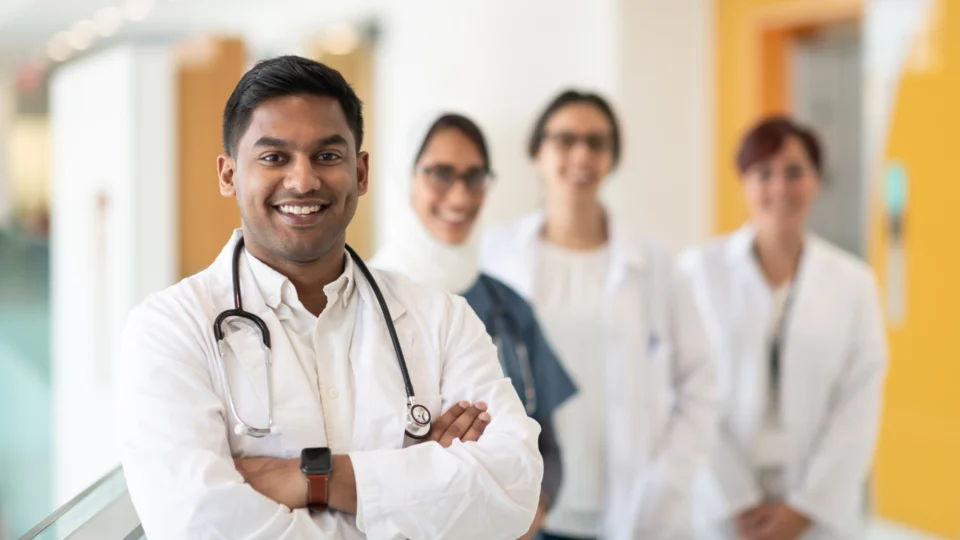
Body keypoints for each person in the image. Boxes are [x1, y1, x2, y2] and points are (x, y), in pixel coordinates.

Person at [117, 56, 544, 540]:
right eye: (274, 157)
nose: (303, 181)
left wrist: (313, 480)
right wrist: (414, 483)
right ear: (229, 174)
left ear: (361, 172)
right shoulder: (170, 328)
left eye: (327, 156)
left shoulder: (441, 317)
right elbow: (194, 521)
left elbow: (513, 492)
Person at [480, 90, 719, 539]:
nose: (581, 155)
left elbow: (700, 382)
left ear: (612, 157)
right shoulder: (494, 257)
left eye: (597, 142)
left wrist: (667, 476)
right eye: (565, 140)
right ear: (537, 153)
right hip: (529, 508)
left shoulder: (653, 264)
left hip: (634, 507)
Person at [678, 117, 888, 540]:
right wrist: (737, 499)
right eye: (764, 173)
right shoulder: (699, 272)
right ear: (744, 181)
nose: (780, 188)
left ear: (816, 179)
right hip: (721, 509)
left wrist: (804, 509)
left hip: (818, 517)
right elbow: (685, 387)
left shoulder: (853, 282)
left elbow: (859, 403)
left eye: (795, 172)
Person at [372, 112, 577, 538]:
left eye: (475, 176)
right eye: (440, 173)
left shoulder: (508, 307)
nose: (461, 195)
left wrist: (532, 511)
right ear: (404, 178)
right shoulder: (363, 299)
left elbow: (549, 450)